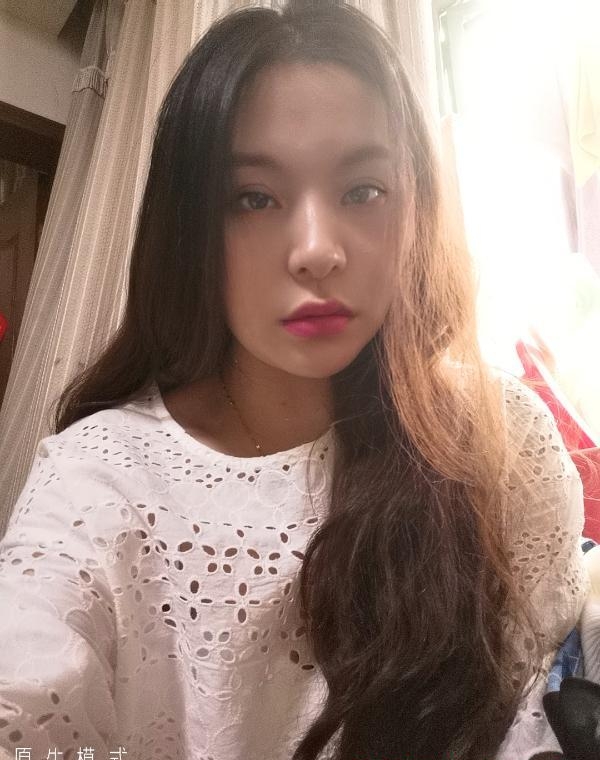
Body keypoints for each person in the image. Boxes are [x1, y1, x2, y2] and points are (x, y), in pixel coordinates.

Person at [0, 2, 588, 759]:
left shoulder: (501, 440)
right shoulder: (98, 478)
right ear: (189, 228)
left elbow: (522, 710)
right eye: (255, 198)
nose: (316, 250)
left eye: (363, 190)